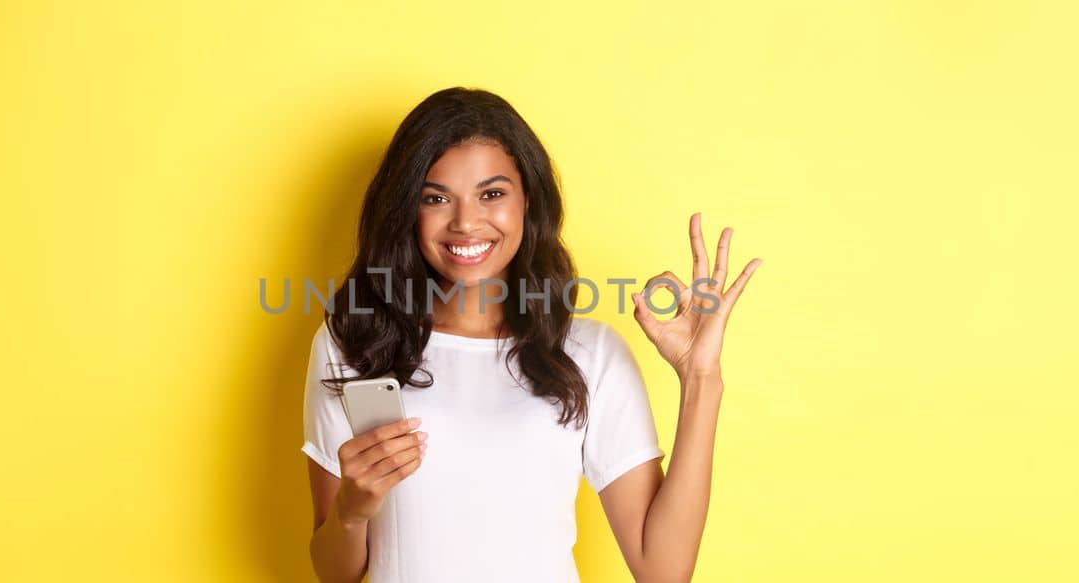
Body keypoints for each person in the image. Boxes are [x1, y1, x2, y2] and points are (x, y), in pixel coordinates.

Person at [301, 87, 762, 582]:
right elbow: (335, 575)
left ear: (528, 202)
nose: (466, 222)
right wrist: (352, 510)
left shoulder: (590, 354)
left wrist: (701, 377)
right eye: (435, 198)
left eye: (492, 194)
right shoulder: (354, 345)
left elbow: (664, 571)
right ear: (406, 212)